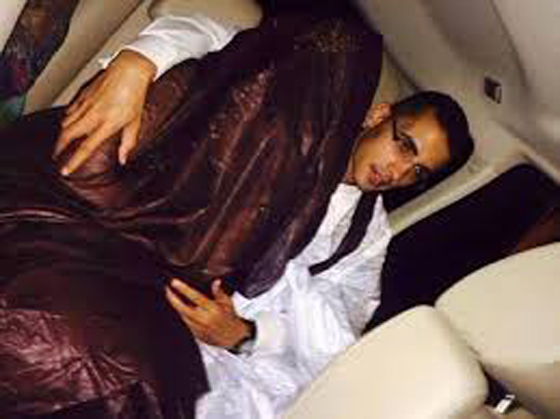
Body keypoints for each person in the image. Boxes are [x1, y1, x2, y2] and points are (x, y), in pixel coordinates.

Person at [0, 3, 474, 418]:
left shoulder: (363, 237)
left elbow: (337, 340)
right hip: (134, 228)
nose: (397, 171)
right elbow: (212, 39)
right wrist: (139, 61)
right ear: (378, 116)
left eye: (416, 172)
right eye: (404, 144)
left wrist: (247, 335)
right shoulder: (302, 102)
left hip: (194, 321)